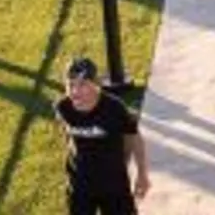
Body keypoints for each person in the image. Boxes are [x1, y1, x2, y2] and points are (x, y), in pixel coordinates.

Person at [55, 57, 150, 213]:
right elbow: (67, 137)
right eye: (70, 85)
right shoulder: (63, 108)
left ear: (95, 85)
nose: (75, 92)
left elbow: (134, 137)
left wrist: (142, 175)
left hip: (114, 186)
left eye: (82, 84)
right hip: (80, 186)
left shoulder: (114, 108)